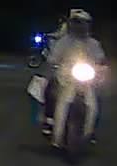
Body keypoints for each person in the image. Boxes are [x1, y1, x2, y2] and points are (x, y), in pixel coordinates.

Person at [41, 8, 107, 145]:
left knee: (98, 97)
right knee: (49, 88)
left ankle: (91, 130)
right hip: (65, 76)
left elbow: (100, 59)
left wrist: (101, 68)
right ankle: (49, 120)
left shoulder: (93, 43)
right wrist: (53, 65)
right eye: (77, 22)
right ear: (71, 24)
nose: (80, 26)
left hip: (86, 78)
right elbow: (53, 59)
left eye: (83, 23)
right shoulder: (63, 42)